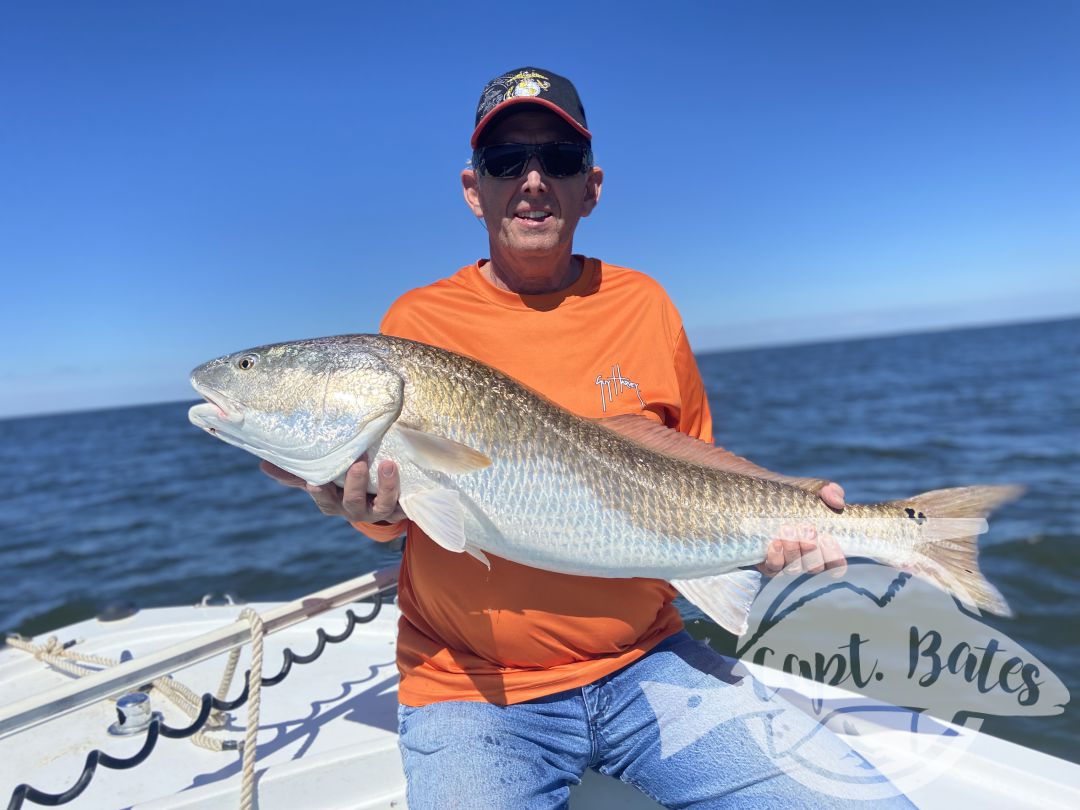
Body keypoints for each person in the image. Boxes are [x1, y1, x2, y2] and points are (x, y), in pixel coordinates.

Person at [263, 67, 912, 808]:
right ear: (475, 189)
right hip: (474, 689)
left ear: (590, 187)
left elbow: (692, 471)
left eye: (559, 161)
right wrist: (369, 511)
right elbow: (400, 520)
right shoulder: (417, 323)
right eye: (507, 162)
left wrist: (782, 522)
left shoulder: (645, 304)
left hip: (649, 662)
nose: (533, 180)